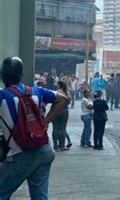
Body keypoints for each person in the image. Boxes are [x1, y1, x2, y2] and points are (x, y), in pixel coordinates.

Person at [0, 57, 69, 199]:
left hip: (20, 154)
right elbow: (63, 98)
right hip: (44, 151)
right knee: (39, 196)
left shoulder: (2, 95)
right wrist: (45, 121)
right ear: (21, 75)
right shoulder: (36, 91)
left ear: (3, 75)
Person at [52, 81, 71, 151]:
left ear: (59, 85)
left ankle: (55, 146)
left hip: (54, 110)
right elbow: (69, 102)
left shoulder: (55, 92)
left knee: (55, 128)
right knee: (62, 128)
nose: (56, 85)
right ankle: (62, 145)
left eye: (57, 84)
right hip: (64, 110)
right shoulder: (67, 93)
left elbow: (51, 100)